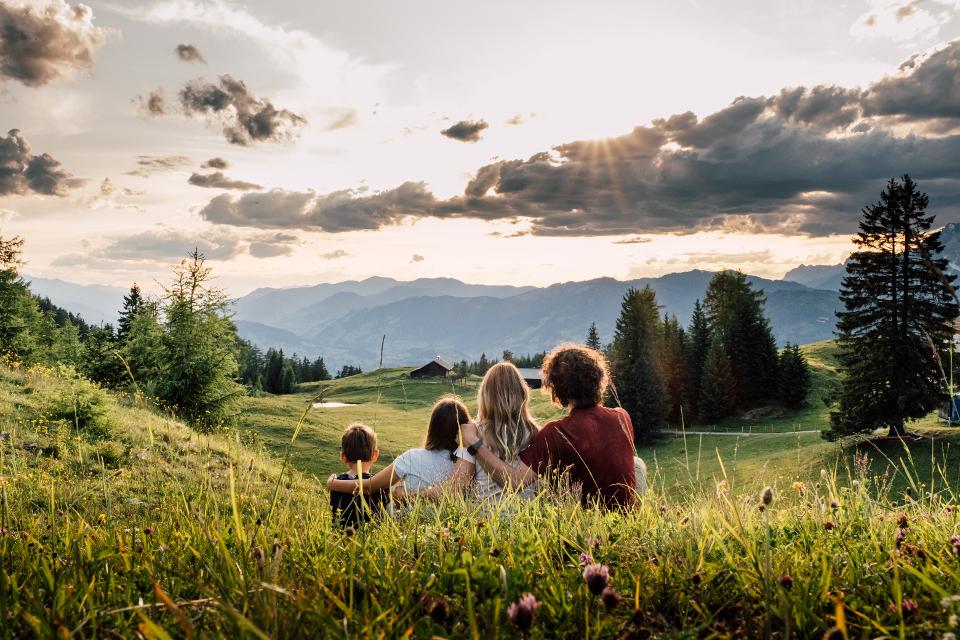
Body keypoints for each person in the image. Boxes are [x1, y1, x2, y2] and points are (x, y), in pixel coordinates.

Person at [461, 343, 639, 509]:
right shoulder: (622, 417)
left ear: (556, 389)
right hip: (628, 525)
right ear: (598, 378)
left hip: (588, 532)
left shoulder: (556, 433)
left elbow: (514, 482)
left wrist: (474, 445)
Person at [326, 395, 469, 499]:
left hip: (406, 529)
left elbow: (369, 486)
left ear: (432, 427)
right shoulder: (468, 464)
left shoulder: (412, 458)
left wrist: (333, 483)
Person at [329, 422, 386, 528]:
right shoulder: (379, 484)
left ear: (343, 457)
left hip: (339, 537)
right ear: (375, 455)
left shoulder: (337, 482)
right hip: (371, 538)